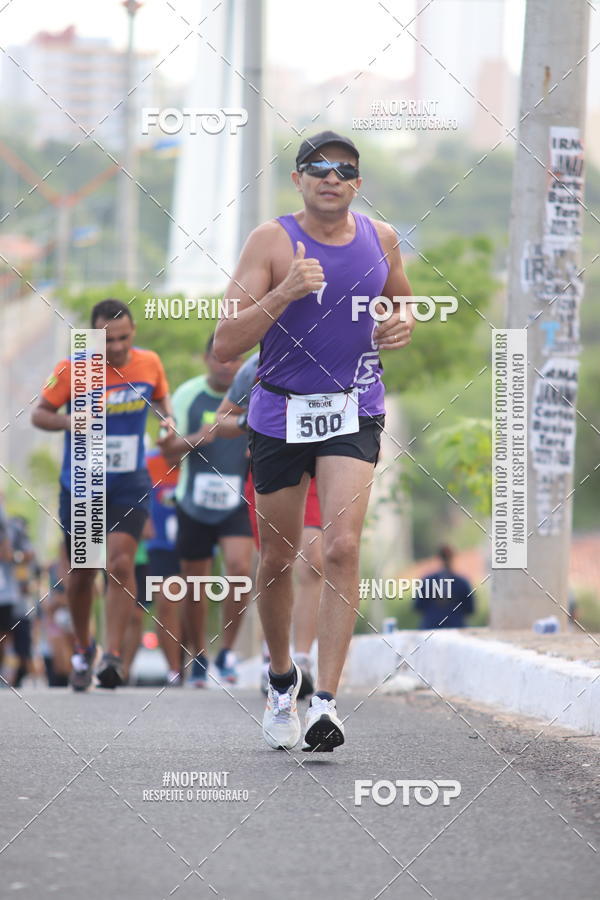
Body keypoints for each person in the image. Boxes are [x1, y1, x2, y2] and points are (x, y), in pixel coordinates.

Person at [214, 130, 414, 751]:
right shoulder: (271, 242)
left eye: (345, 170)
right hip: (279, 411)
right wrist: (285, 291)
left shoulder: (381, 239)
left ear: (357, 183)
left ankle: (324, 701)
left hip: (354, 406)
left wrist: (398, 323)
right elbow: (225, 345)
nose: (332, 177)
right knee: (277, 559)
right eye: (318, 168)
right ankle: (281, 681)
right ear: (299, 179)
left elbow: (401, 303)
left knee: (341, 549)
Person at [31, 298, 174, 690]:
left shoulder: (150, 364)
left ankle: (111, 656)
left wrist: (168, 421)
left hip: (130, 479)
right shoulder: (70, 370)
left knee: (121, 563)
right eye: (107, 340)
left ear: (134, 334)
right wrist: (67, 420)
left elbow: (162, 399)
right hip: (81, 482)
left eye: (123, 339)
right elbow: (39, 414)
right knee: (82, 574)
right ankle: (83, 649)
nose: (115, 348)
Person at [213, 350, 322, 698]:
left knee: (315, 562)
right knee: (277, 566)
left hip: (320, 468)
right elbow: (222, 421)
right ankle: (274, 659)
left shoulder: (333, 354)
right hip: (271, 468)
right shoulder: (256, 365)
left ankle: (303, 660)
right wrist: (250, 420)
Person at [159, 334, 254, 687]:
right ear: (206, 359)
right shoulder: (187, 395)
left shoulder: (253, 390)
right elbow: (168, 452)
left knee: (240, 570)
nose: (227, 365)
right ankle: (198, 653)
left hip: (237, 500)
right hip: (194, 502)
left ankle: (227, 651)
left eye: (235, 359)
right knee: (195, 586)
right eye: (220, 358)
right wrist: (196, 438)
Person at [144, 446, 182, 686]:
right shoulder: (149, 461)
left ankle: (195, 661)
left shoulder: (201, 460)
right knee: (166, 602)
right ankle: (174, 669)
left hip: (194, 540)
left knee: (193, 601)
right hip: (160, 544)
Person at [414, 545, 476, 629]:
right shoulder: (427, 581)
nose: (446, 561)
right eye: (445, 557)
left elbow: (470, 608)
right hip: (433, 627)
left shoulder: (462, 583)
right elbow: (418, 606)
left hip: (454, 629)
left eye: (447, 557)